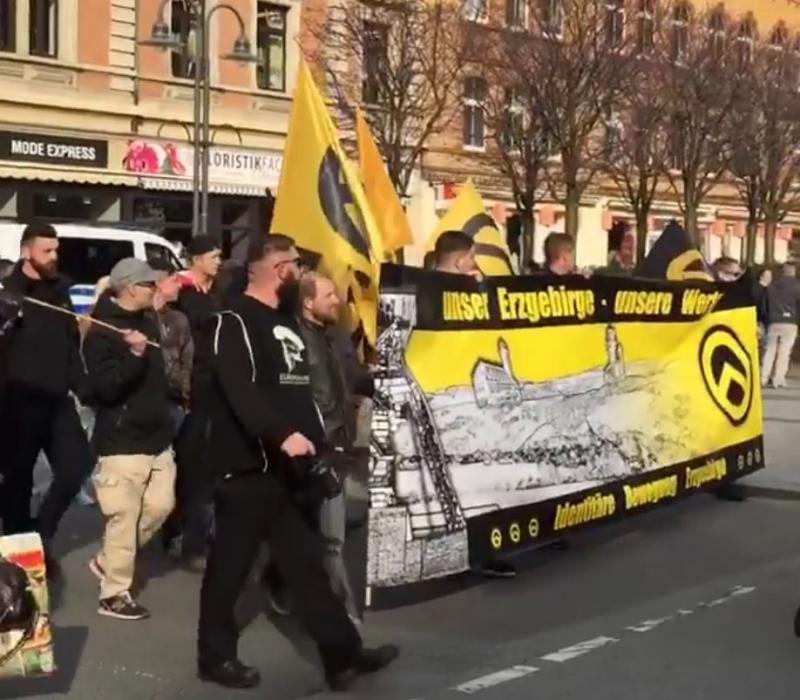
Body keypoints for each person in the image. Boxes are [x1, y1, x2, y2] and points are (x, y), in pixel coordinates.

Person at [197, 234, 397, 691]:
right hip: (247, 468)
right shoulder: (234, 321)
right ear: (275, 269)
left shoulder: (284, 321)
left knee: (306, 566)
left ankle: (342, 654)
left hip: (287, 470)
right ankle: (214, 656)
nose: (301, 273)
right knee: (229, 570)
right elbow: (239, 388)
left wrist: (312, 440)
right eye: (296, 264)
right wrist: (280, 434)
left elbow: (299, 388)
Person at [0, 223, 96, 577]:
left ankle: (39, 537)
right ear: (27, 252)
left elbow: (71, 345)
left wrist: (85, 388)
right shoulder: (8, 290)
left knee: (76, 468)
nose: (54, 257)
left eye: (57, 250)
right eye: (47, 251)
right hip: (17, 399)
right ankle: (18, 560)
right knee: (17, 483)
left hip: (57, 399)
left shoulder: (61, 290)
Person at [83, 258, 176, 620]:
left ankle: (108, 560)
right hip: (121, 439)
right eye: (149, 285)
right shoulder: (101, 331)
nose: (155, 290)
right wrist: (136, 355)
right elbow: (106, 388)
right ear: (131, 288)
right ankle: (114, 593)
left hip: (156, 434)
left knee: (161, 506)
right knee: (123, 516)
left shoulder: (148, 320)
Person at [171, 234, 222, 564]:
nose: (218, 261)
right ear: (197, 259)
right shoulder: (184, 292)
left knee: (202, 466)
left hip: (213, 386)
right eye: (214, 256)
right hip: (192, 388)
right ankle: (187, 538)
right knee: (192, 464)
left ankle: (183, 530)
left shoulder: (212, 292)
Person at [762, 262, 800, 389]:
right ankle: (778, 379)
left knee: (769, 350)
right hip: (790, 322)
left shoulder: (772, 286)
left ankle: (763, 377)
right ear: (793, 271)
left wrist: (767, 319)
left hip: (774, 321)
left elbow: (765, 304)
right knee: (784, 351)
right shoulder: (797, 286)